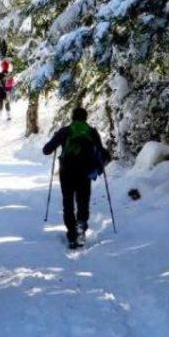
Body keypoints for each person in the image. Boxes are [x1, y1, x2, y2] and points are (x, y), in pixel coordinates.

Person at [42, 107, 109, 249]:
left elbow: (46, 150)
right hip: (85, 172)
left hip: (67, 171)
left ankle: (72, 234)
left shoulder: (65, 131)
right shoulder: (91, 132)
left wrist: (57, 139)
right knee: (83, 201)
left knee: (68, 202)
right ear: (85, 118)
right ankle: (81, 230)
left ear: (72, 117)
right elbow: (103, 154)